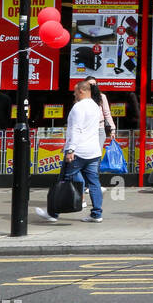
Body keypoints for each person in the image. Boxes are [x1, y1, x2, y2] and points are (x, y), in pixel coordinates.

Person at [36, 83, 106, 222]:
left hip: (78, 151)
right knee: (94, 183)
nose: (74, 95)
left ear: (81, 91)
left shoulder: (78, 107)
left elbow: (76, 129)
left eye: (75, 92)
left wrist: (70, 149)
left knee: (65, 179)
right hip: (93, 151)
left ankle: (53, 213)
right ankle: (97, 214)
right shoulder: (95, 106)